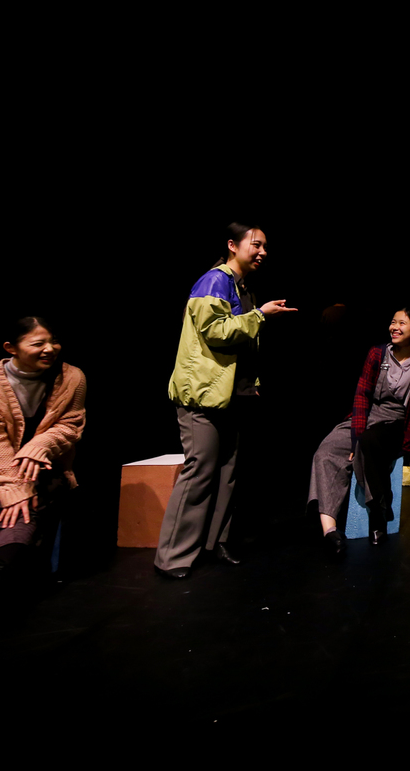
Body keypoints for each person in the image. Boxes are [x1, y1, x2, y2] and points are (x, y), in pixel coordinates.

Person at [155, 223, 296, 580]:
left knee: (227, 473)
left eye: (265, 246)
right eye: (256, 244)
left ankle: (214, 543)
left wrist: (252, 383)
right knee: (200, 471)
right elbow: (215, 332)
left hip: (233, 395)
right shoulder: (214, 281)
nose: (262, 252)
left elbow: (245, 346)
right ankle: (172, 556)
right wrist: (261, 315)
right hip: (203, 396)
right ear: (233, 245)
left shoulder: (242, 286)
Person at [0, 316, 87, 621]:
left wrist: (38, 446)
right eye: (38, 343)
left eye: (53, 341)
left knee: (27, 509)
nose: (49, 349)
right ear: (10, 348)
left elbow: (71, 425)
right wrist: (14, 486)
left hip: (48, 467)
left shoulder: (72, 377)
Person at [307, 309, 410, 554]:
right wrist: (355, 434)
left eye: (402, 323)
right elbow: (362, 395)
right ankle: (329, 529)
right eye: (393, 322)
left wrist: (405, 446)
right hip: (366, 416)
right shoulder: (377, 353)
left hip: (395, 421)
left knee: (369, 443)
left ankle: (378, 513)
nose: (394, 327)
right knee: (326, 451)